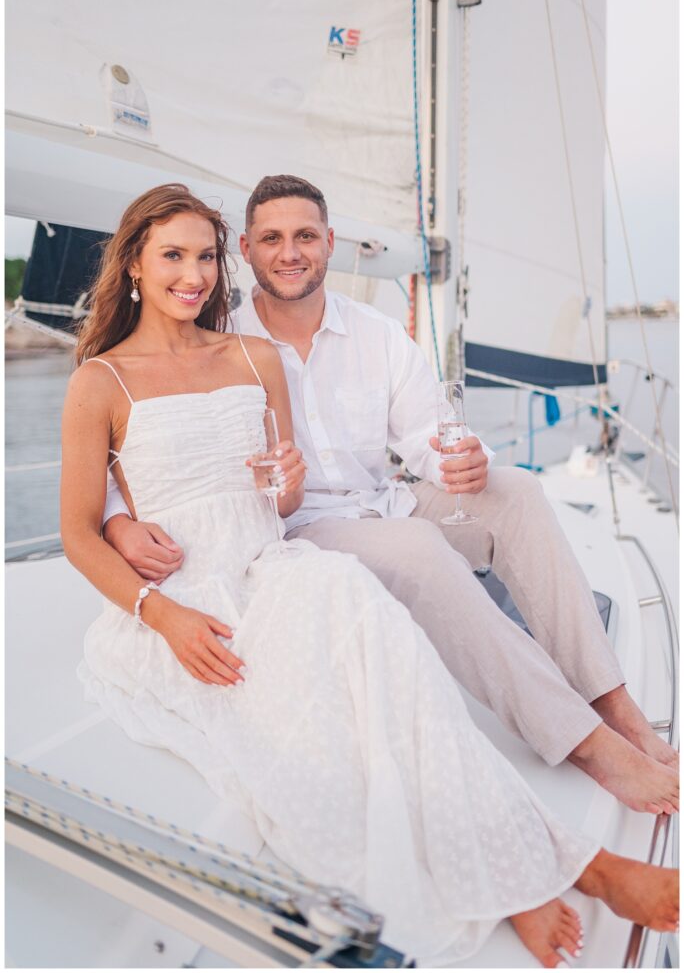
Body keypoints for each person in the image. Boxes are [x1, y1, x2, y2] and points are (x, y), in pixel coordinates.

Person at [62, 184, 677, 967]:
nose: (288, 252)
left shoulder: (305, 347)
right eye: (266, 239)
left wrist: (455, 456)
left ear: (327, 245)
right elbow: (123, 479)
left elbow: (413, 436)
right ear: (236, 254)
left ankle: (612, 710)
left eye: (307, 236)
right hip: (271, 551)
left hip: (340, 525)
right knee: (404, 582)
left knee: (514, 493)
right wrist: (128, 541)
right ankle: (571, 792)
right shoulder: (155, 359)